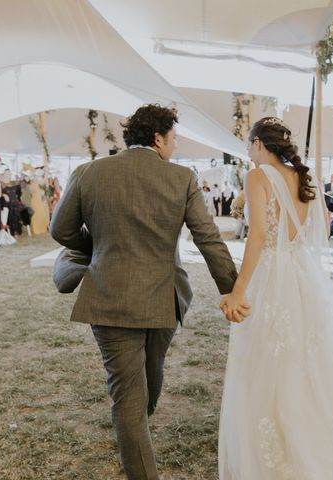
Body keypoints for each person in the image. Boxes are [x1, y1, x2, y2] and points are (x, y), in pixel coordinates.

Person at [50, 104, 239, 479]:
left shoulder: (88, 173)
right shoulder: (182, 178)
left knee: (135, 392)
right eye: (173, 137)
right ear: (157, 138)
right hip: (162, 300)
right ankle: (137, 443)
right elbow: (208, 239)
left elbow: (62, 230)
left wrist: (97, 243)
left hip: (109, 298)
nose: (176, 144)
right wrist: (232, 290)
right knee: (139, 390)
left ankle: (133, 430)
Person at [218, 117, 333, 479]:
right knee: (305, 364)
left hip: (271, 277)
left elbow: (258, 235)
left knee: (266, 362)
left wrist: (239, 288)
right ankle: (311, 442)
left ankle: (278, 454)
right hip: (300, 275)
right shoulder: (301, 178)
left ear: (259, 143)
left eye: (248, 144)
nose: (248, 151)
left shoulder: (258, 177)